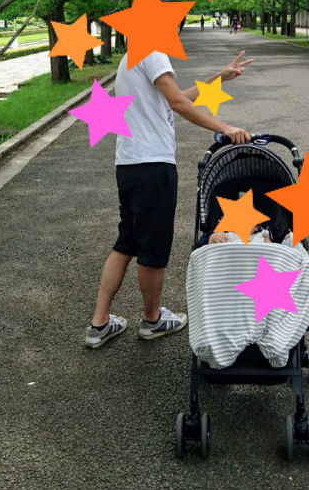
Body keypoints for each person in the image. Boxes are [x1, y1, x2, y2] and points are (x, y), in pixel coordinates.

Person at [85, 47, 255, 348]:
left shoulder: (132, 56)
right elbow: (177, 103)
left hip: (129, 164)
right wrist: (225, 128)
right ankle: (152, 320)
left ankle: (100, 323)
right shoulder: (152, 52)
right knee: (154, 248)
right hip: (153, 165)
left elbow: (173, 97)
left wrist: (219, 78)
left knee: (126, 242)